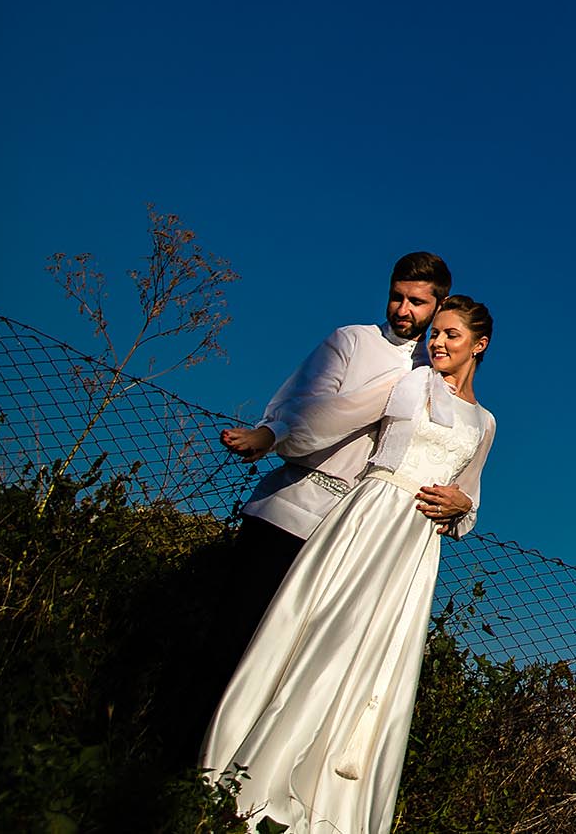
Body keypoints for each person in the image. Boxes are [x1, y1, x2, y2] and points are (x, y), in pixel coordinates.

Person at [201, 294, 498, 834]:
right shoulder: (411, 383)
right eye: (435, 333)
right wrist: (272, 435)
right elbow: (336, 414)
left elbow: (469, 496)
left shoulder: (486, 422)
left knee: (376, 659)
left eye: (452, 335)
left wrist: (462, 508)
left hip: (413, 546)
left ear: (479, 345)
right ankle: (255, 778)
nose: (437, 341)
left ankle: (329, 801)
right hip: (368, 517)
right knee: (322, 639)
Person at [216, 251, 453, 644]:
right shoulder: (353, 339)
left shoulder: (436, 374)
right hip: (289, 511)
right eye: (397, 297)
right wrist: (274, 433)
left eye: (417, 302)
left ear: (439, 305)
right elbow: (303, 405)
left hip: (352, 534)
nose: (403, 310)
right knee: (231, 638)